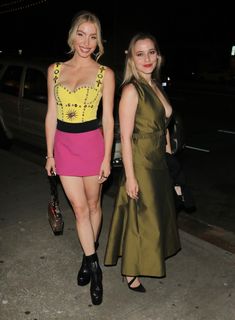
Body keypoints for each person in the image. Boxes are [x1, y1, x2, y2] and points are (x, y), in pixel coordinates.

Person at [45, 10, 115, 305]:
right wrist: (49, 153)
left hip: (92, 144)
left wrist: (106, 157)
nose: (86, 41)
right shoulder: (55, 70)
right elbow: (51, 113)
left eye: (93, 35)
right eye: (82, 34)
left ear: (98, 41)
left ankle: (87, 257)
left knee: (94, 205)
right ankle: (95, 268)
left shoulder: (105, 74)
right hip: (64, 144)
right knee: (78, 208)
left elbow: (109, 119)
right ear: (73, 35)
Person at [104, 33, 181, 292]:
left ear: (158, 55)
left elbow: (164, 124)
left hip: (159, 159)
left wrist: (170, 156)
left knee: (155, 215)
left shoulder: (156, 85)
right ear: (132, 59)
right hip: (141, 161)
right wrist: (131, 177)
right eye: (140, 54)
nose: (147, 58)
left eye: (151, 52)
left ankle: (147, 257)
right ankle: (130, 271)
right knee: (141, 217)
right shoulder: (131, 90)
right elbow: (124, 137)